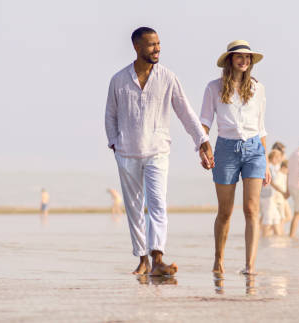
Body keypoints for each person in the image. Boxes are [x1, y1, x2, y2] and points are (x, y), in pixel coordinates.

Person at [105, 26, 214, 276]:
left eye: (158, 44)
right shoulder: (118, 80)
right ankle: (142, 259)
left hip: (157, 151)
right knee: (133, 207)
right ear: (137, 47)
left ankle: (158, 259)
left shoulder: (167, 77)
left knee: (157, 204)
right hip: (127, 153)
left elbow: (185, 111)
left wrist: (202, 140)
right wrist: (115, 144)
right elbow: (110, 115)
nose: (158, 48)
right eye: (152, 44)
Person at [200, 40, 269, 275]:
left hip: (254, 150)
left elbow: (261, 127)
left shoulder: (258, 89)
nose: (244, 61)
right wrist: (204, 148)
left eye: (248, 57)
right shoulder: (213, 88)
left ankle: (250, 266)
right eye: (239, 56)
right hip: (226, 149)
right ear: (229, 60)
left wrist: (266, 163)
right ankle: (219, 259)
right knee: (225, 211)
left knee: (251, 209)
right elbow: (205, 122)